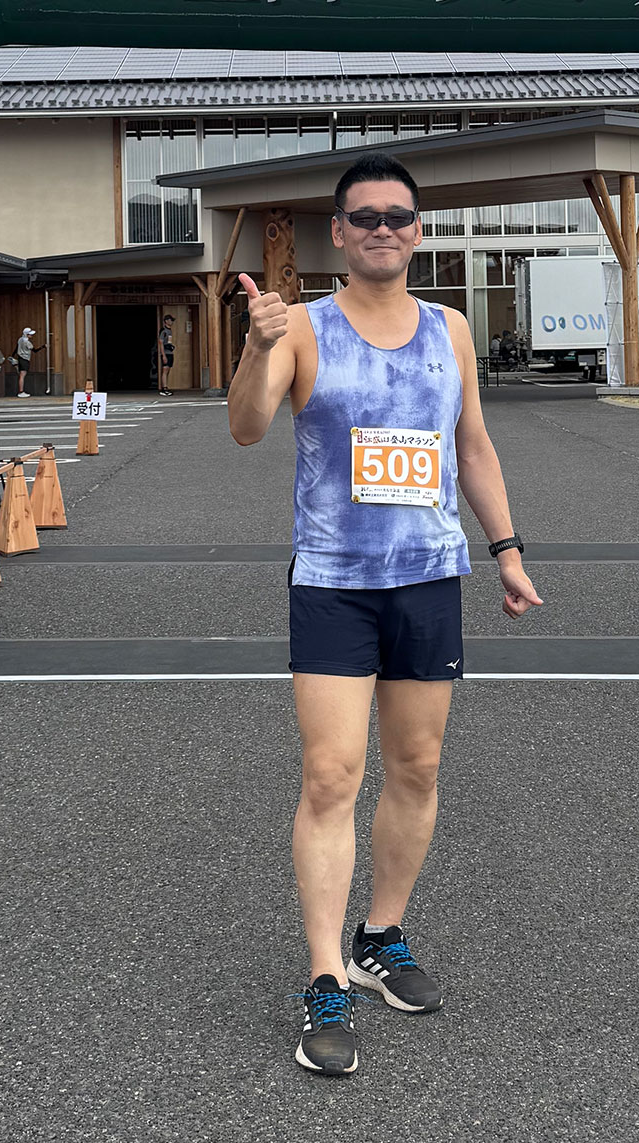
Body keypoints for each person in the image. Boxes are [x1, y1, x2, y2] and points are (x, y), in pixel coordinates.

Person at [227, 151, 542, 1078]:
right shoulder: (303, 327)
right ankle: (325, 975)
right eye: (363, 217)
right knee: (331, 774)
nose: (381, 230)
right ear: (338, 232)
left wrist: (507, 550)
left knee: (417, 765)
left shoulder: (451, 329)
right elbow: (246, 427)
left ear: (418, 230)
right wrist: (256, 346)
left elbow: (471, 446)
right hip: (333, 581)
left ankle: (381, 936)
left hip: (428, 577)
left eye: (397, 216)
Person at [156, 317, 176, 397]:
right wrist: (163, 355)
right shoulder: (163, 331)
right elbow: (161, 343)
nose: (171, 322)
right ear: (166, 321)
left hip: (170, 353)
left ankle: (166, 386)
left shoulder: (170, 331)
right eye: (170, 320)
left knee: (168, 370)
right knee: (165, 370)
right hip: (166, 353)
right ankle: (164, 388)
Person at [14, 327, 35, 396]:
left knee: (21, 375)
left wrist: (12, 356)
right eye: (30, 334)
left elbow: (16, 348)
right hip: (25, 359)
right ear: (27, 334)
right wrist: (43, 346)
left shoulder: (20, 340)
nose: (31, 335)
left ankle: (21, 391)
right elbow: (34, 350)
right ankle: (21, 391)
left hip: (20, 358)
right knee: (22, 375)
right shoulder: (27, 342)